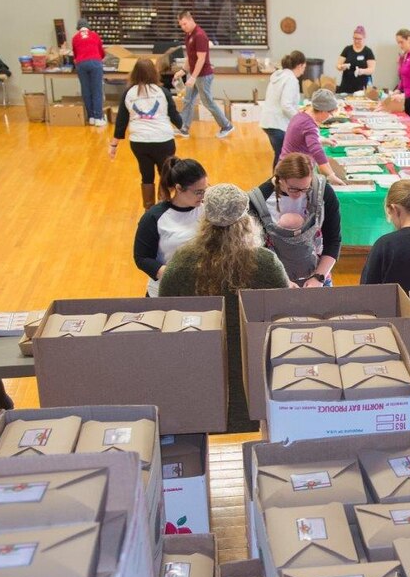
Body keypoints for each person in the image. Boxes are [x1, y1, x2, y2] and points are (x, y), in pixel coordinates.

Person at [159, 184, 290, 433]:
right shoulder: (266, 264)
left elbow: (166, 323)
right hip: (255, 375)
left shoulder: (180, 264)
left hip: (199, 373)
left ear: (204, 219)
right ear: (246, 221)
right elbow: (284, 318)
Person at [248, 152, 342, 287]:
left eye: (305, 189)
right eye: (294, 189)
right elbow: (257, 251)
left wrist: (319, 277)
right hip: (276, 276)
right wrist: (283, 281)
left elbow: (333, 240)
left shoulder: (323, 192)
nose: (300, 195)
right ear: (279, 179)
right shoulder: (258, 201)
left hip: (318, 272)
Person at [109, 59, 184, 210]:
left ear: (134, 73)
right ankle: (163, 208)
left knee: (146, 176)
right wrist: (182, 124)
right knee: (165, 175)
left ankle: (149, 211)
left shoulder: (128, 93)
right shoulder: (163, 92)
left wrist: (114, 145)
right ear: (154, 73)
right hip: (163, 140)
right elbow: (175, 117)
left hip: (139, 142)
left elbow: (121, 121)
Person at [133, 157, 207, 296]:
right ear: (179, 188)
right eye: (198, 192)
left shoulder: (208, 211)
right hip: (163, 293)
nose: (203, 196)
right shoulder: (153, 217)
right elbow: (142, 258)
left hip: (201, 292)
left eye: (205, 189)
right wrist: (173, 276)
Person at [173, 9, 235, 139]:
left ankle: (226, 126)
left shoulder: (200, 35)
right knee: (188, 100)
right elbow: (190, 58)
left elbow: (201, 59)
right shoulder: (189, 35)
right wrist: (183, 71)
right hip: (194, 74)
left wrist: (193, 77)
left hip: (203, 76)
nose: (183, 27)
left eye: (184, 24)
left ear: (191, 20)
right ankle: (184, 128)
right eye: (181, 25)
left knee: (207, 102)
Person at [280, 90, 346, 185]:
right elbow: (317, 151)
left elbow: (304, 138)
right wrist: (331, 175)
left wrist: (324, 140)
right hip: (294, 172)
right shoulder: (309, 125)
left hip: (288, 165)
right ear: (323, 110)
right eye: (330, 114)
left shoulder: (301, 115)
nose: (330, 117)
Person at [260, 50, 306, 170]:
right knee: (284, 158)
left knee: (280, 155)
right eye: (304, 67)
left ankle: (277, 180)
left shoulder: (279, 76)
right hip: (278, 123)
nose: (303, 71)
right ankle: (277, 180)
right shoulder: (291, 79)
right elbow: (286, 105)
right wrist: (300, 119)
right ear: (300, 65)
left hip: (269, 121)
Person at [71, 18, 106, 126]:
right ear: (88, 26)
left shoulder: (75, 38)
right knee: (97, 90)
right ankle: (98, 118)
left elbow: (75, 55)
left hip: (81, 64)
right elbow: (101, 52)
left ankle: (91, 117)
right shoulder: (95, 35)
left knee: (86, 90)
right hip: (95, 63)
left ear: (78, 28)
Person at [336, 26, 376, 94]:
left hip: (362, 85)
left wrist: (362, 71)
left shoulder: (368, 51)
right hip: (346, 85)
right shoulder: (347, 49)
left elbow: (371, 69)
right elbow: (338, 65)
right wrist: (341, 67)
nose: (356, 41)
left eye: (359, 39)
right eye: (355, 38)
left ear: (364, 38)